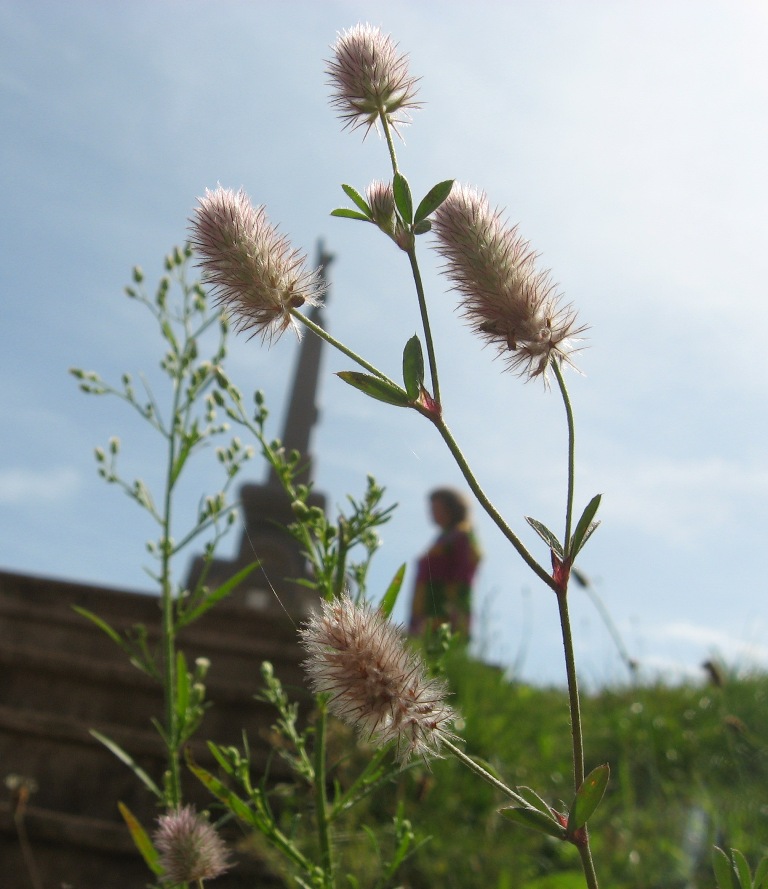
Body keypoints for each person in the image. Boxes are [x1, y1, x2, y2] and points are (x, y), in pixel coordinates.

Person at [408, 488, 481, 638]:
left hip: (445, 610)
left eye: (436, 508)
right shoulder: (442, 538)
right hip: (425, 607)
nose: (432, 513)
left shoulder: (462, 535)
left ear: (452, 508)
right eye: (431, 509)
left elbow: (465, 570)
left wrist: (453, 605)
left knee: (440, 651)